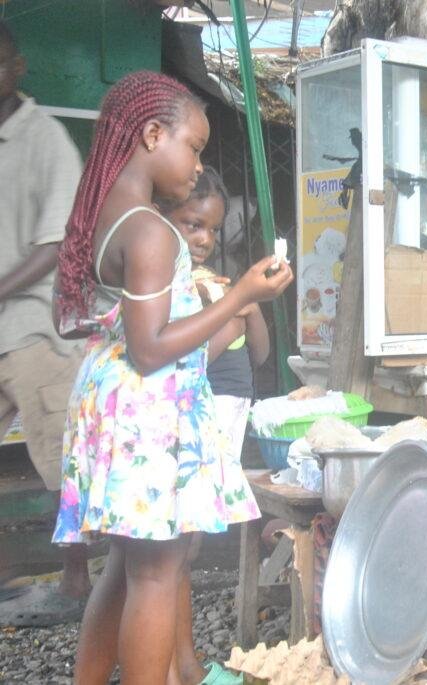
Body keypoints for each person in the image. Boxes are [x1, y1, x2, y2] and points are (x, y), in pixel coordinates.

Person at [50, 71, 293, 684]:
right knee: (158, 575)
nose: (197, 163)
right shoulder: (152, 230)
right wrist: (239, 294)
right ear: (153, 134)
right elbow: (152, 347)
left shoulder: (114, 210)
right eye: (195, 147)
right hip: (143, 409)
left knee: (125, 567)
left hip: (111, 398)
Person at [159, 167, 269, 685]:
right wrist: (231, 314)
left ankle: (183, 665)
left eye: (209, 230)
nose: (203, 240)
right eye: (191, 225)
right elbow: (188, 359)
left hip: (208, 413)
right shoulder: (168, 281)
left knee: (180, 549)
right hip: (179, 420)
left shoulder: (206, 281)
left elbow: (262, 354)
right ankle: (179, 667)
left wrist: (247, 308)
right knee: (172, 552)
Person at [0, 19, 92, 625]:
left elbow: (55, 244)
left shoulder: (45, 139)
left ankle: (77, 579)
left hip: (31, 328)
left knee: (65, 459)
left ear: (17, 66)